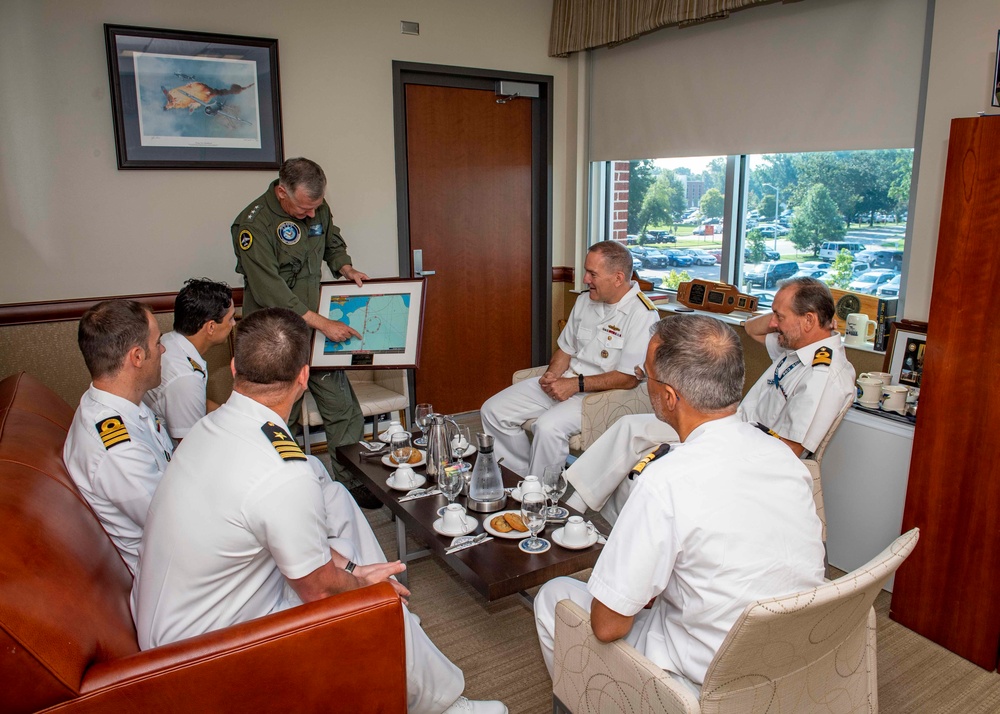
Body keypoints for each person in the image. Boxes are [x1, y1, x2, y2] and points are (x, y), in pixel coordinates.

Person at [133, 308, 506, 714]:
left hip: (168, 629)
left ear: (236, 366)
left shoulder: (209, 428)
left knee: (354, 561)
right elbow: (319, 591)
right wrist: (361, 585)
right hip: (199, 656)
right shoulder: (281, 469)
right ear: (304, 377)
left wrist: (351, 571)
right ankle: (443, 703)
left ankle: (403, 636)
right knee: (372, 602)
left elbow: (287, 543)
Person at [534, 314, 826, 693]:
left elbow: (608, 627)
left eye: (649, 375)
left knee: (553, 597)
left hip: (703, 674)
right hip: (793, 652)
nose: (644, 378)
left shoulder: (664, 480)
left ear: (669, 398)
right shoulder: (785, 458)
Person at [565, 276, 855, 523]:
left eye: (780, 316)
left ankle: (614, 531)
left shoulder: (823, 374)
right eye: (775, 315)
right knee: (631, 426)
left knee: (647, 471)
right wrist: (783, 314)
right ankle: (574, 507)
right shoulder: (797, 347)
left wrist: (716, 452)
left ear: (809, 320)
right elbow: (753, 328)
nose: (775, 323)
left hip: (744, 450)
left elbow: (791, 449)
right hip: (728, 426)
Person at [231, 157, 378, 509]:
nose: (312, 215)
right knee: (284, 416)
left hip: (315, 329)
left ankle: (351, 483)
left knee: (342, 408)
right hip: (275, 336)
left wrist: (344, 265)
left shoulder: (316, 207)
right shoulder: (252, 226)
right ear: (282, 192)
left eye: (316, 207)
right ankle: (290, 490)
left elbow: (331, 240)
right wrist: (324, 323)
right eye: (303, 208)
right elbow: (271, 291)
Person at [479, 240, 660, 477]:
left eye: (592, 274)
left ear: (618, 278)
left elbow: (627, 379)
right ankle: (520, 477)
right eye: (586, 271)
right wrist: (552, 375)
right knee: (493, 410)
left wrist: (575, 385)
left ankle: (539, 495)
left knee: (547, 428)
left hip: (600, 396)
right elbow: (565, 349)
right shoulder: (585, 301)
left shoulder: (642, 315)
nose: (585, 279)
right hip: (566, 381)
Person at [63, 299, 173, 575]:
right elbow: (176, 524)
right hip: (169, 573)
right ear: (137, 356)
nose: (163, 349)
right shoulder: (117, 450)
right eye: (157, 342)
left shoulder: (122, 406)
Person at [143, 278, 235, 443]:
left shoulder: (170, 342)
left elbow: (196, 403)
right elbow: (190, 446)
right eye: (230, 319)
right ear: (211, 327)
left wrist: (234, 418)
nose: (233, 324)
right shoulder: (185, 377)